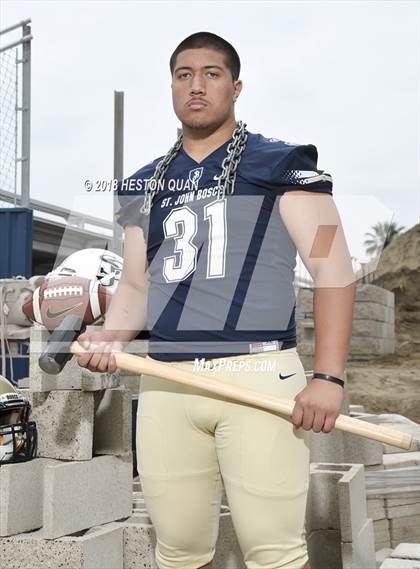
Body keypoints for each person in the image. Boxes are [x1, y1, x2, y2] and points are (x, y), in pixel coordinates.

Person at [77, 32, 355, 569]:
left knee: (274, 552)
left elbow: (333, 271)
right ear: (172, 87)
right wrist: (109, 336)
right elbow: (135, 287)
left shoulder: (280, 164)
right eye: (184, 75)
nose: (196, 85)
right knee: (179, 552)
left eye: (211, 74)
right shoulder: (143, 185)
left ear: (236, 86)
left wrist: (329, 376)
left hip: (259, 373)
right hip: (167, 382)